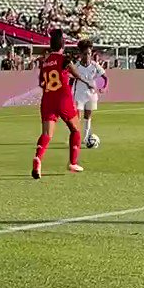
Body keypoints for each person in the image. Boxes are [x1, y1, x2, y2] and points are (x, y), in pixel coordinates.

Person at [33, 29, 88, 179]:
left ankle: (38, 159)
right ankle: (73, 162)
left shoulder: (45, 62)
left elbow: (42, 83)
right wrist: (87, 82)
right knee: (75, 129)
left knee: (46, 134)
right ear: (62, 44)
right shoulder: (64, 59)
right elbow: (77, 74)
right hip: (63, 98)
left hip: (48, 99)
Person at [73, 39, 108, 149]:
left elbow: (105, 77)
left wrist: (104, 87)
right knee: (76, 117)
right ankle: (75, 138)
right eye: (85, 54)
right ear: (80, 54)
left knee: (87, 117)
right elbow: (70, 81)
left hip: (91, 94)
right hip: (79, 94)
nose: (87, 56)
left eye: (89, 53)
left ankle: (86, 137)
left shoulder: (95, 65)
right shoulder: (76, 66)